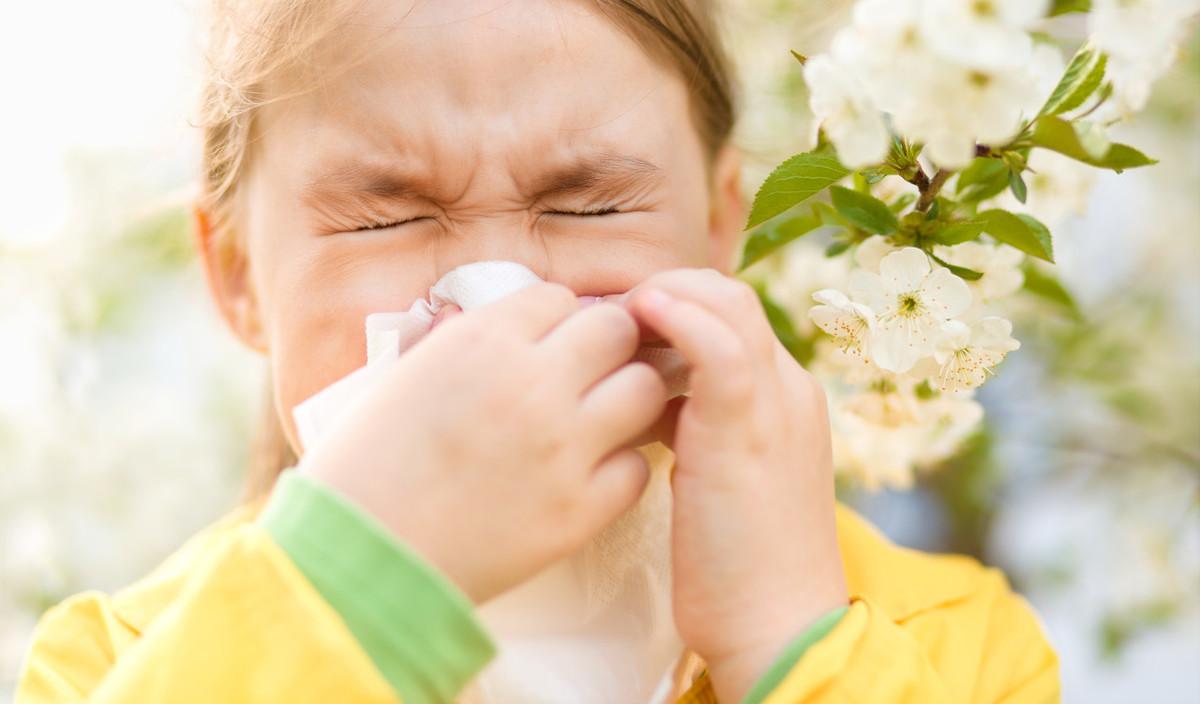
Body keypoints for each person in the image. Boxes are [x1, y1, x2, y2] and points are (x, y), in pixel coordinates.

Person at [15, 0, 1060, 702]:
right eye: (384, 219)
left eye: (590, 202)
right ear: (238, 275)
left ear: (720, 230)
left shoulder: (949, 641)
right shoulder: (112, 664)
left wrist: (790, 643)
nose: (495, 300)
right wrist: (348, 588)